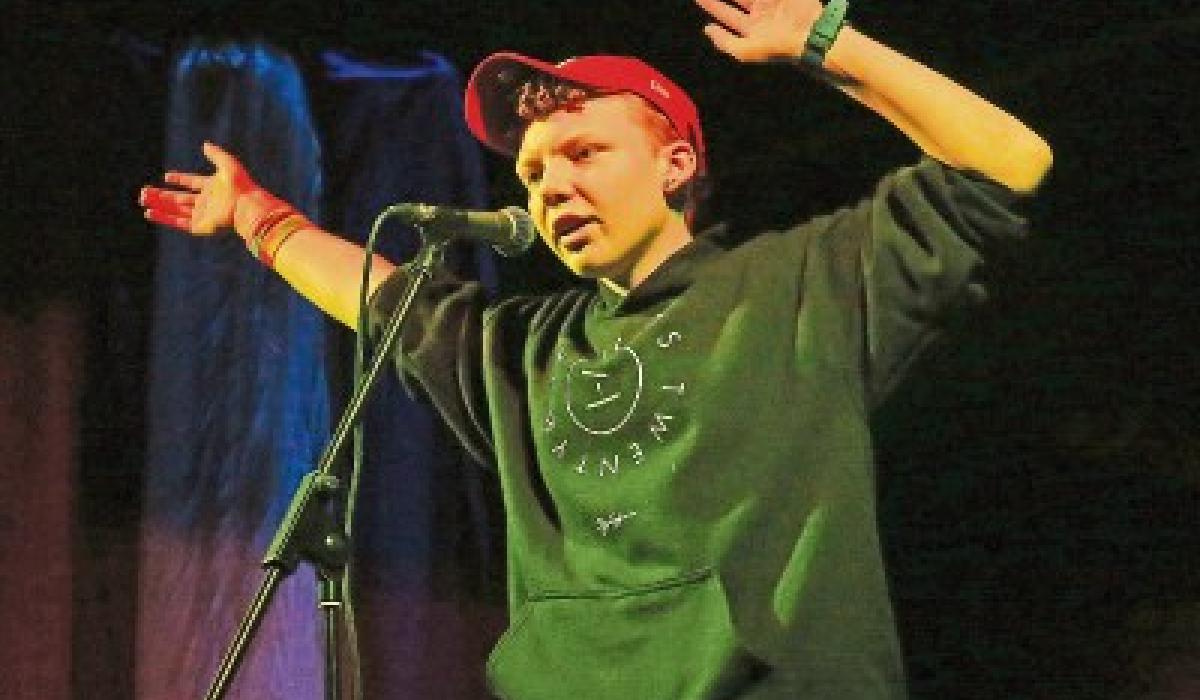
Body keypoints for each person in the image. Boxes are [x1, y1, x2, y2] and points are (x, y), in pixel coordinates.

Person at [139, 0, 1052, 697]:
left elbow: (1008, 164)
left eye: (584, 153)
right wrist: (259, 219)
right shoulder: (527, 352)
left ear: (676, 164)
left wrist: (828, 42)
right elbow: (383, 294)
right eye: (532, 172)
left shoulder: (803, 285)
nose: (550, 187)